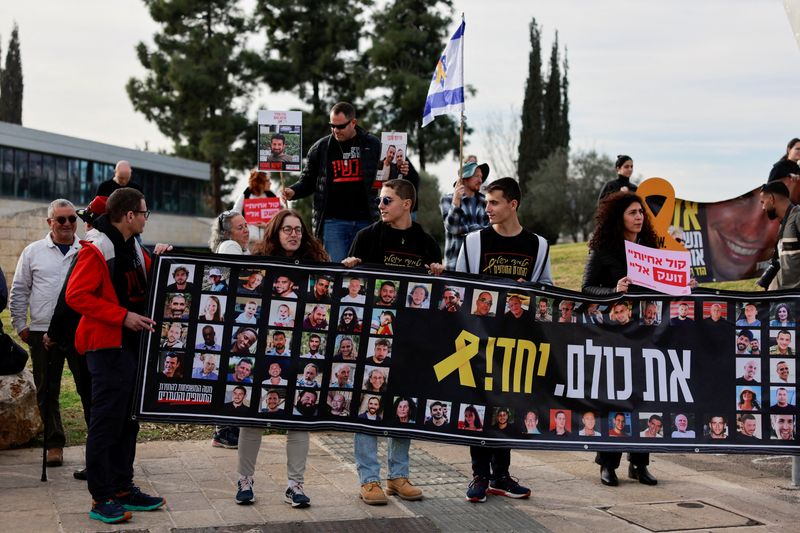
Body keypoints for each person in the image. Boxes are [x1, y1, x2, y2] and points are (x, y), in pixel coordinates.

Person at [65, 188, 167, 523]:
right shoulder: (97, 249)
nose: (146, 218)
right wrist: (121, 316)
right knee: (106, 424)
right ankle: (101, 497)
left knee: (128, 421)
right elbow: (76, 295)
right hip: (106, 346)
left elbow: (150, 275)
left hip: (132, 346)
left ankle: (124, 488)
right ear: (128, 215)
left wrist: (163, 255)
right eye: (144, 212)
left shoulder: (134, 245)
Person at [341, 179, 441, 505]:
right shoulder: (366, 238)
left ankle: (398, 476)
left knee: (403, 405)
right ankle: (369, 480)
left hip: (410, 337)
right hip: (371, 339)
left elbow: (436, 297)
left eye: (387, 200)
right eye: (380, 200)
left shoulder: (426, 243)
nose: (380, 205)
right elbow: (350, 293)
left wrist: (440, 275)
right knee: (367, 403)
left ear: (406, 204)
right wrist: (348, 271)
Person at [456, 177, 551, 503]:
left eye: (494, 203)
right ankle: (479, 475)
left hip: (516, 343)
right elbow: (460, 291)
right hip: (478, 341)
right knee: (478, 405)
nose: (488, 209)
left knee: (506, 408)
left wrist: (531, 293)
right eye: (486, 203)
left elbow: (547, 293)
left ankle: (501, 475)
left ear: (513, 204)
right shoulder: (473, 242)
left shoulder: (538, 245)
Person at [236, 208, 328, 509]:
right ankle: (245, 480)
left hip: (299, 354)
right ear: (275, 233)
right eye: (287, 229)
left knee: (297, 420)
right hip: (265, 350)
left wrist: (350, 266)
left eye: (298, 229)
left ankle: (295, 485)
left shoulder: (317, 266)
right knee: (253, 417)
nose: (293, 234)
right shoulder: (259, 265)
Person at [581, 191, 670, 488]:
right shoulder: (603, 249)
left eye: (641, 213)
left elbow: (662, 288)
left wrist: (682, 283)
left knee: (643, 399)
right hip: (614, 336)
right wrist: (614, 290)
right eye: (633, 212)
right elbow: (587, 289)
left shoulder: (650, 248)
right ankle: (608, 464)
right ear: (618, 216)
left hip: (645, 336)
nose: (639, 217)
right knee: (614, 399)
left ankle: (640, 463)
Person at [10, 198, 83, 468]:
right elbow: (19, 290)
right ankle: (54, 444)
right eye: (61, 219)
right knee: (47, 389)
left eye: (72, 219)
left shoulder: (86, 250)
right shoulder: (33, 252)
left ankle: (97, 449)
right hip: (41, 331)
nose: (67, 224)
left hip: (78, 331)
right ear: (50, 222)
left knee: (86, 387)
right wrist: (21, 326)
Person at [280, 102, 382, 261]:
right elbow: (308, 181)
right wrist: (293, 191)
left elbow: (386, 175)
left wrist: (399, 169)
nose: (335, 130)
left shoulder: (373, 144)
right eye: (332, 126)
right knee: (335, 272)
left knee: (364, 272)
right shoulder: (320, 148)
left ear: (353, 123)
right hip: (333, 222)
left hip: (366, 220)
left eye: (340, 126)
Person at [440, 161, 491, 269]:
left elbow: (489, 232)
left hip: (478, 264)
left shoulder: (485, 201)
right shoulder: (448, 200)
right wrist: (456, 202)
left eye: (481, 177)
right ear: (465, 178)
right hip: (455, 263)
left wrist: (464, 231)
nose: (480, 180)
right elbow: (452, 228)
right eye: (477, 176)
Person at [232, 169, 278, 243]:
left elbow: (278, 216)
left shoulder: (271, 196)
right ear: (260, 182)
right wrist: (245, 224)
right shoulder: (247, 194)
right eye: (267, 181)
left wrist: (267, 225)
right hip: (250, 240)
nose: (270, 183)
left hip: (268, 240)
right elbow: (235, 211)